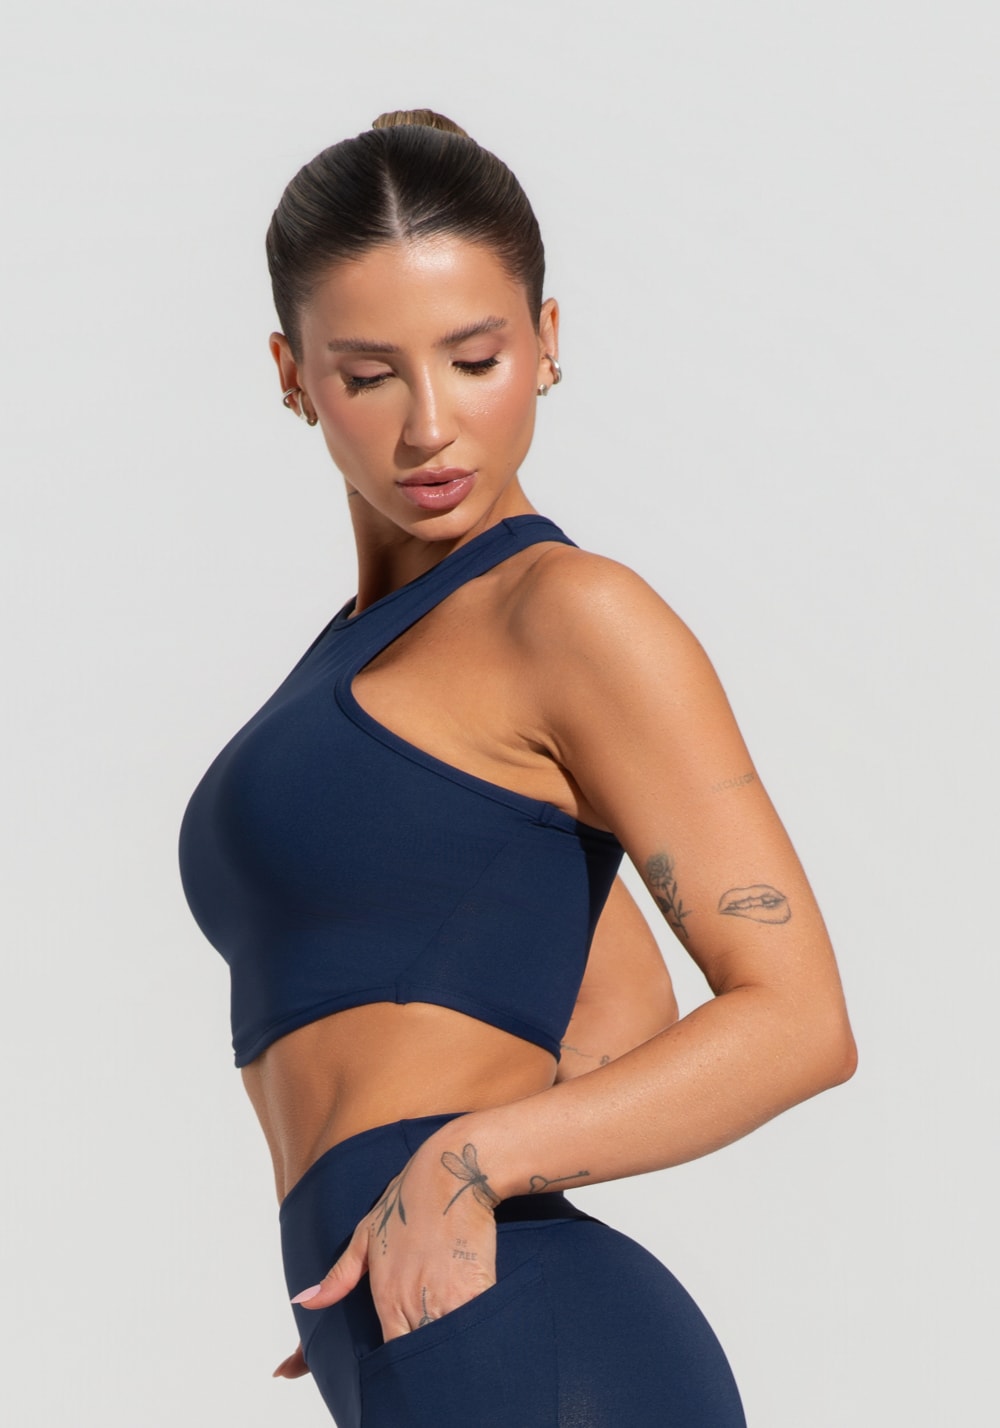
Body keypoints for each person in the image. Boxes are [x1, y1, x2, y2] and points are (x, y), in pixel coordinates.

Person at [178, 108, 857, 1426]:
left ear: (546, 343)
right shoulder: (365, 646)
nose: (431, 426)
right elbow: (615, 1006)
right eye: (369, 374)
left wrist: (463, 1163)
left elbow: (799, 1019)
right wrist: (385, 1220)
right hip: (426, 1333)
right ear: (292, 374)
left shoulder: (571, 615)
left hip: (543, 1343)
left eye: (475, 357)